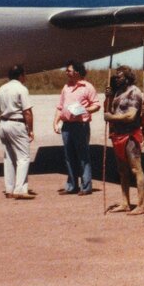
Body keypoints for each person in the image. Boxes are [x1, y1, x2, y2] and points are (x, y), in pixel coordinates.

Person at [104, 65, 144, 215]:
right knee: (122, 171)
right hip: (117, 135)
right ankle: (125, 202)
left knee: (136, 169)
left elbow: (131, 115)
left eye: (120, 76)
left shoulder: (134, 92)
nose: (117, 78)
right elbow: (109, 109)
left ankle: (141, 205)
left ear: (127, 77)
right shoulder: (118, 92)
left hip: (130, 135)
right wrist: (108, 97)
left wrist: (112, 118)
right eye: (116, 75)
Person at [53, 60, 100, 196]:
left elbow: (96, 105)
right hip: (66, 126)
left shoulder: (87, 87)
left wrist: (84, 110)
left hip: (81, 125)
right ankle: (71, 186)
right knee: (69, 156)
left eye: (69, 70)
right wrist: (55, 122)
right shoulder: (66, 87)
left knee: (83, 156)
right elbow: (60, 107)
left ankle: (86, 187)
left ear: (77, 72)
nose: (66, 72)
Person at [0, 65, 35, 200]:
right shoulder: (21, 89)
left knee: (9, 158)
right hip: (17, 123)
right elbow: (27, 112)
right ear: (20, 76)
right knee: (23, 158)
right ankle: (20, 190)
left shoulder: (1, 89)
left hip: (3, 123)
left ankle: (9, 189)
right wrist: (31, 130)